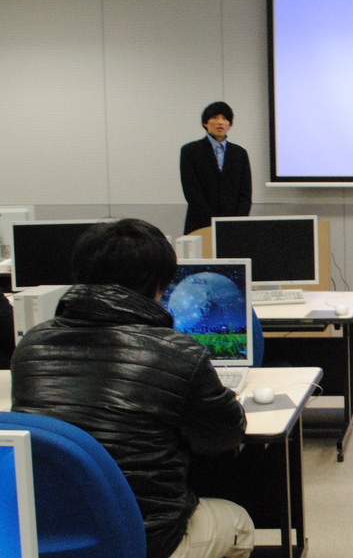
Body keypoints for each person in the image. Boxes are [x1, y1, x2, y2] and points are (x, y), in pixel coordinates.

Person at [10, 218, 254, 558]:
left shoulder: (32, 345)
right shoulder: (178, 352)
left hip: (51, 536)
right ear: (160, 285)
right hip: (145, 538)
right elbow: (224, 437)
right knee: (239, 522)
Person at [180, 101, 252, 235]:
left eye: (224, 118)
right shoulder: (190, 151)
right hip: (200, 224)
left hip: (233, 225)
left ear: (229, 124)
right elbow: (192, 192)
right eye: (214, 117)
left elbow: (245, 194)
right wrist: (213, 222)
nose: (220, 122)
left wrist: (236, 221)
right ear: (205, 123)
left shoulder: (240, 153)